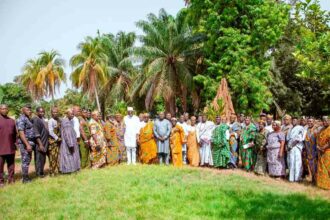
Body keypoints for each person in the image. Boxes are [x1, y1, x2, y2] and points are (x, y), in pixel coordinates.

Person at [16, 104, 36, 183]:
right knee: (25, 160)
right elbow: (21, 133)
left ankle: (26, 177)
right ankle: (25, 179)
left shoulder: (28, 118)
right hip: (25, 144)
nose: (30, 111)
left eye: (30, 109)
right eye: (27, 109)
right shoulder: (21, 119)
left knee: (28, 160)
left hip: (30, 142)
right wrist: (27, 144)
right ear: (23, 110)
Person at [59, 109, 80, 174]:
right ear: (67, 114)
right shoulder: (66, 122)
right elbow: (67, 134)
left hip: (70, 142)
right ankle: (68, 170)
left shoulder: (68, 121)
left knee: (70, 156)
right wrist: (70, 144)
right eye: (71, 114)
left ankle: (72, 169)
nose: (73, 115)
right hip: (68, 143)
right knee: (68, 156)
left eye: (73, 114)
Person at [0, 104, 17, 186]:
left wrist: (15, 144)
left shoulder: (11, 121)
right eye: (2, 109)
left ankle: (11, 179)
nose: (4, 110)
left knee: (11, 166)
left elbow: (14, 135)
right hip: (1, 148)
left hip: (10, 147)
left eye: (6, 109)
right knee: (0, 166)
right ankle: (1, 181)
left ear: (8, 110)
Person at [286, 117, 305, 182]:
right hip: (290, 147)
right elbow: (288, 138)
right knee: (290, 162)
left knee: (297, 162)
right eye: (293, 120)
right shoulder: (290, 128)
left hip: (296, 147)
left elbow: (299, 138)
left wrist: (291, 146)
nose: (294, 121)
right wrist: (288, 146)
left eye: (295, 120)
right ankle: (291, 178)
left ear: (298, 121)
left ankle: (297, 178)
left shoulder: (300, 128)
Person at [32, 107, 48, 177]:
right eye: (40, 112)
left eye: (43, 112)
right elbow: (36, 133)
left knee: (43, 159)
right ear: (37, 112)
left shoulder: (42, 119)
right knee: (39, 159)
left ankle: (41, 172)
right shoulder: (36, 120)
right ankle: (39, 173)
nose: (42, 113)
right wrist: (40, 145)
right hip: (40, 143)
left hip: (45, 142)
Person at [316, 116, 330, 190]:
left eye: (326, 120)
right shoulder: (321, 129)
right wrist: (318, 146)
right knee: (322, 167)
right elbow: (318, 138)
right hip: (320, 151)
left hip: (328, 152)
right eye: (323, 121)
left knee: (328, 168)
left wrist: (322, 148)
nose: (325, 122)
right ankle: (323, 185)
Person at [304, 117, 319, 183]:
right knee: (310, 166)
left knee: (315, 167)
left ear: (314, 122)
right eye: (308, 121)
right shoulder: (306, 130)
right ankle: (313, 180)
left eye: (311, 121)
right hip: (308, 151)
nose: (309, 123)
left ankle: (316, 181)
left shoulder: (316, 130)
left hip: (315, 151)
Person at [48, 107, 61, 176]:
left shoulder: (59, 120)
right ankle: (52, 172)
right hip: (53, 141)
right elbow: (50, 131)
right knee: (53, 157)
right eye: (54, 112)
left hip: (59, 141)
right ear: (51, 113)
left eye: (56, 112)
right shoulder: (51, 121)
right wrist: (57, 138)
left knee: (59, 156)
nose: (55, 113)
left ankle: (59, 170)